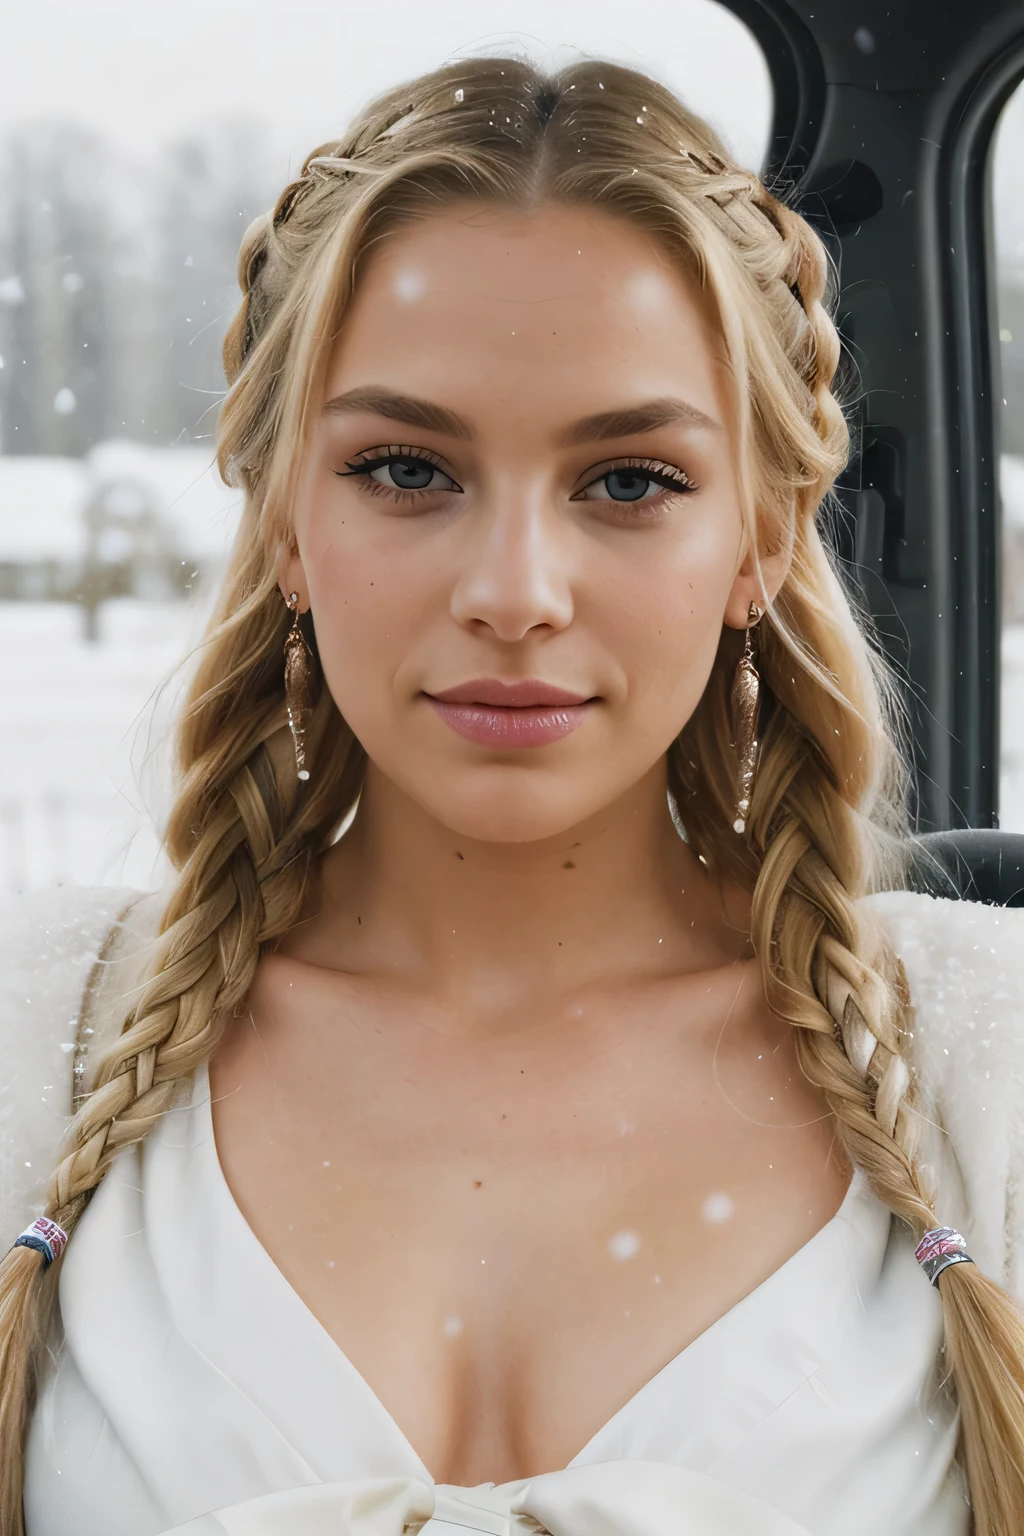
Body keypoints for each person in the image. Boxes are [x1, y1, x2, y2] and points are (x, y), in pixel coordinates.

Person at [2, 54, 1023, 1536]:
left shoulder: (997, 1072)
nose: (513, 592)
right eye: (409, 467)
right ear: (288, 517)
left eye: (627, 483)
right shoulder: (33, 1043)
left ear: (763, 537)